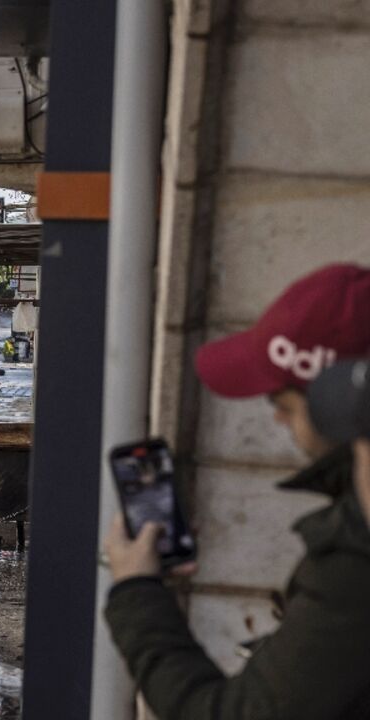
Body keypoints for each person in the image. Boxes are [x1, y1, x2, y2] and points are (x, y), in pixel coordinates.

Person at [103, 264, 370, 719]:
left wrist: (136, 591)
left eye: (283, 402)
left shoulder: (352, 571)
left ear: (341, 406)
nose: (278, 421)